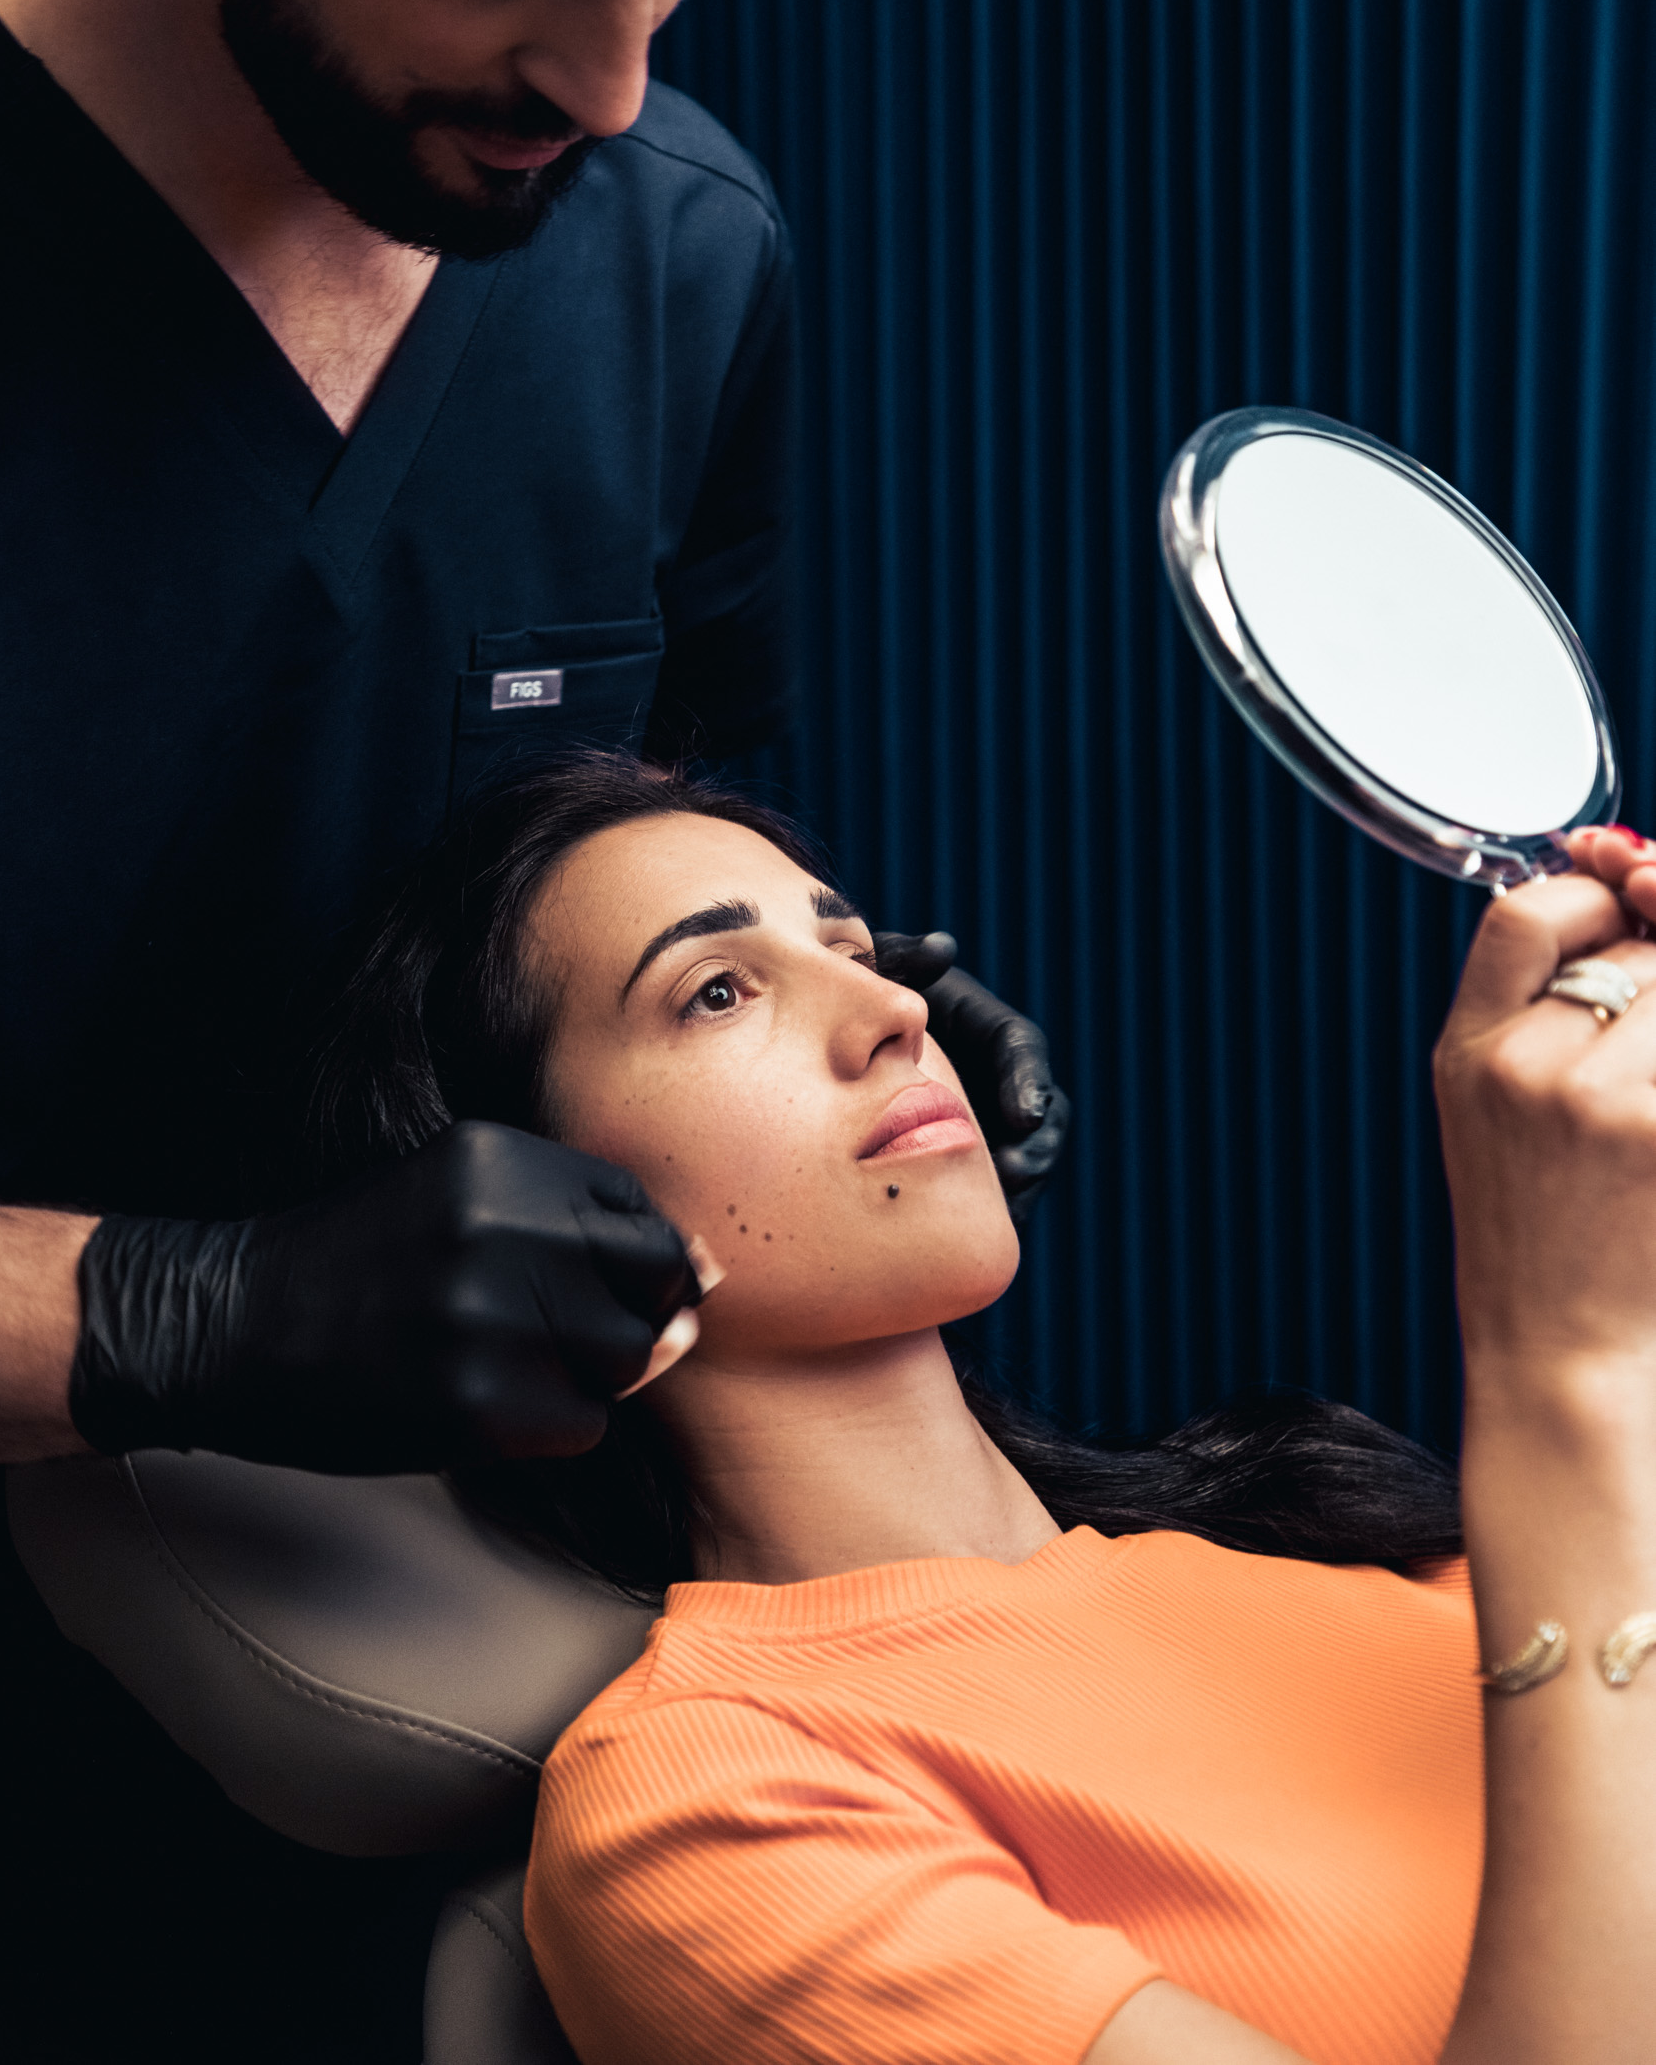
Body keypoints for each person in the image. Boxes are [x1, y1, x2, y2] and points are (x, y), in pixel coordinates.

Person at [0, 0, 1064, 2057]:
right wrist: (182, 1308)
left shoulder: (672, 253)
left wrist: (827, 985)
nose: (600, 80)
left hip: (452, 1618)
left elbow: (629, 803)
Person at [306, 761, 1656, 2065]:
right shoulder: (708, 1808)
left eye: (852, 947)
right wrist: (1565, 1362)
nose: (895, 1011)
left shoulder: (1323, 1526)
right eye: (717, 991)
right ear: (519, 1219)